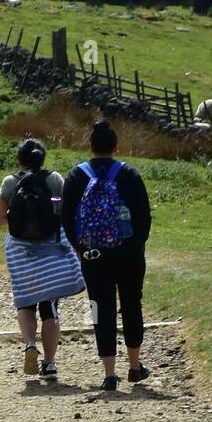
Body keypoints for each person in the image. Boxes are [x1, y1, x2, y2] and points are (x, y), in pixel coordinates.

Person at [60, 119, 152, 392]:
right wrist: (136, 244)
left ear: (91, 146)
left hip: (93, 253)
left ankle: (109, 373)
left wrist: (80, 247)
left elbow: (66, 217)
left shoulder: (77, 176)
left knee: (100, 308)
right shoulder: (129, 174)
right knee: (131, 304)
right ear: (116, 146)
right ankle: (135, 367)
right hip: (128, 252)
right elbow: (144, 217)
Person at [0, 136, 85, 382]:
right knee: (50, 309)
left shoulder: (10, 182)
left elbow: (0, 217)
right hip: (51, 251)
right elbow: (66, 213)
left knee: (24, 302)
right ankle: (50, 364)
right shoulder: (55, 180)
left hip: (20, 252)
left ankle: (29, 345)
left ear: (19, 159)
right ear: (42, 157)